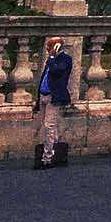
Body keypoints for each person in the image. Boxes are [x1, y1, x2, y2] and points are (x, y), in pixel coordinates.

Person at [34, 35, 73, 168]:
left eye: (49, 46)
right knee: (48, 126)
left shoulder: (65, 59)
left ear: (57, 47)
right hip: (44, 95)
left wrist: (51, 57)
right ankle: (55, 151)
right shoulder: (51, 60)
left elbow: (57, 71)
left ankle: (47, 157)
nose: (47, 48)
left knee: (49, 126)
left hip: (53, 96)